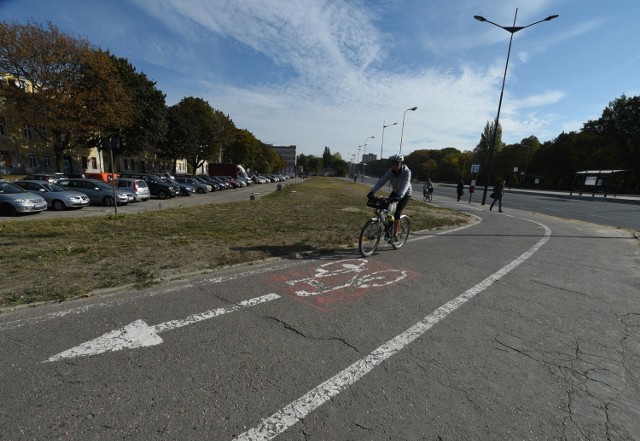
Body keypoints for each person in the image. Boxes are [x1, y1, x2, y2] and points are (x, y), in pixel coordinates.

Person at [367, 154, 412, 243]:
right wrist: (372, 191)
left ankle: (395, 235)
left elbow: (406, 184)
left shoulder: (407, 172)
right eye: (393, 163)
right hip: (395, 192)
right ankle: (389, 228)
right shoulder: (390, 171)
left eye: (397, 163)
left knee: (397, 212)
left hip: (405, 193)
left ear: (401, 163)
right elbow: (382, 181)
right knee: (387, 208)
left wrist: (399, 196)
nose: (394, 165)